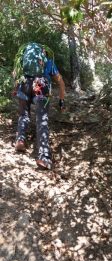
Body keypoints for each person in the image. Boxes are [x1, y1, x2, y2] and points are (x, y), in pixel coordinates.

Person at [13, 42, 65, 170]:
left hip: (24, 84)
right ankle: (44, 157)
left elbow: (15, 74)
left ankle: (20, 140)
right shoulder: (49, 63)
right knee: (42, 119)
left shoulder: (24, 60)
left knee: (23, 114)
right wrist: (61, 101)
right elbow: (60, 81)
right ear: (44, 53)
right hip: (40, 85)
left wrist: (16, 88)